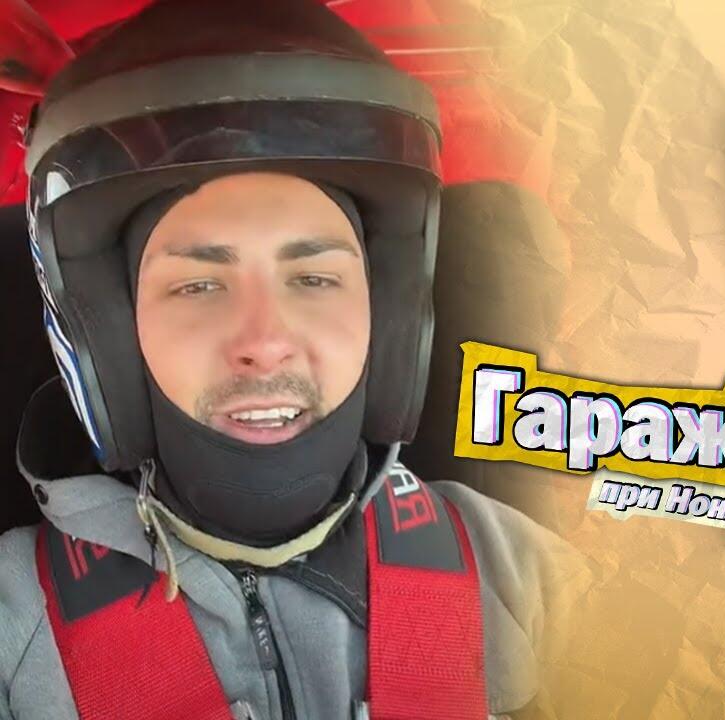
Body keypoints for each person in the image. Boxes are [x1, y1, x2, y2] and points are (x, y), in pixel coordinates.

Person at [0, 1, 569, 718]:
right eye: (198, 285)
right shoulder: (16, 624)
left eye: (314, 279)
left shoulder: (524, 578)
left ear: (387, 317)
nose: (265, 342)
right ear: (108, 338)